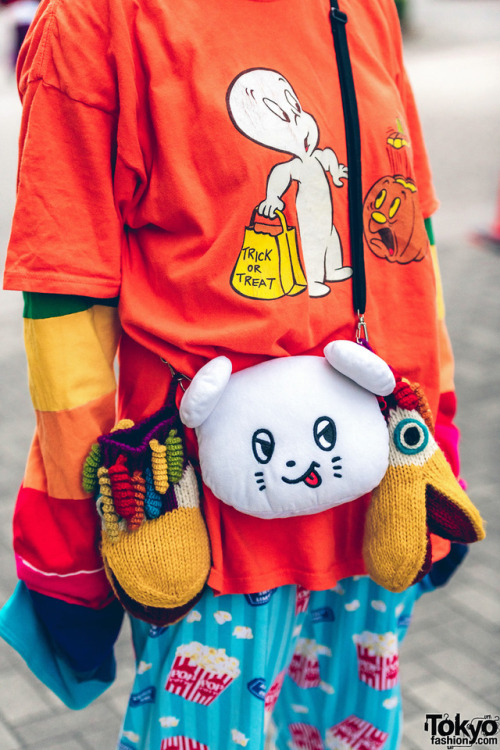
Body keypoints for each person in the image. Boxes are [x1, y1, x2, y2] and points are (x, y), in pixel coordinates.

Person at [0, 0, 481, 747]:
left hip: (379, 507)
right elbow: (66, 309)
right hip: (213, 540)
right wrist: (68, 543)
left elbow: (407, 237)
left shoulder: (367, 6)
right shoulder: (96, 22)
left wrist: (437, 440)